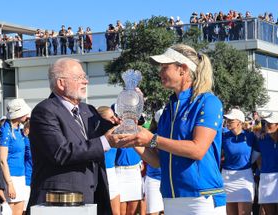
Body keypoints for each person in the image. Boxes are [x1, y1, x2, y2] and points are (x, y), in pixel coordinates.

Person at [114, 44, 226, 214]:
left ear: (183, 70)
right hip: (170, 196)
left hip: (202, 197)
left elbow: (197, 149)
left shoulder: (209, 102)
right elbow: (158, 161)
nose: (160, 72)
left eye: (165, 67)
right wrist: (133, 137)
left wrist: (152, 139)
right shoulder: (169, 108)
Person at [27, 58, 116, 215]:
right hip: (59, 201)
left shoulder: (88, 110)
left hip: (93, 197)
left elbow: (113, 129)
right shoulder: (44, 111)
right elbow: (60, 152)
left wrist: (130, 109)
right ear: (61, 83)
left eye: (84, 77)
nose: (86, 82)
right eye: (79, 78)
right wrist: (105, 142)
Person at [0, 98, 31, 215]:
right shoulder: (6, 130)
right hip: (10, 176)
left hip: (21, 175)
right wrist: (9, 184)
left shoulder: (18, 129)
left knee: (20, 210)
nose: (27, 114)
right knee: (9, 211)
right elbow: (2, 160)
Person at [222, 108, 257, 215]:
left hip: (245, 177)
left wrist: (247, 163)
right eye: (227, 120)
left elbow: (257, 154)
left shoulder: (251, 136)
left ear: (240, 122)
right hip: (227, 178)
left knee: (244, 213)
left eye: (231, 120)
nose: (228, 122)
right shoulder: (223, 135)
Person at [97, 106, 120, 215]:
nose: (115, 120)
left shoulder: (115, 132)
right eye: (111, 118)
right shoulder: (97, 136)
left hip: (113, 173)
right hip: (102, 173)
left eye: (114, 116)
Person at [254, 112, 278, 215]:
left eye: (270, 124)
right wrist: (260, 167)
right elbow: (256, 157)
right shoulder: (262, 139)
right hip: (266, 178)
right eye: (265, 123)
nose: (266, 126)